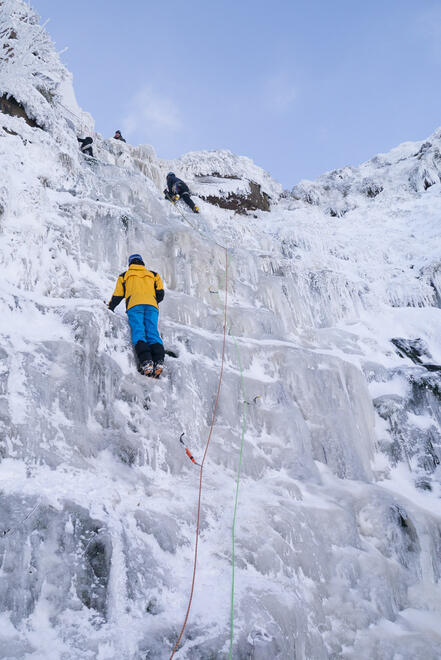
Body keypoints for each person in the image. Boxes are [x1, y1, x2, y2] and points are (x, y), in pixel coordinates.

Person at [108, 254, 165, 377]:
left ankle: (146, 362)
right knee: (153, 332)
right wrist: (151, 300)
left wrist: (110, 308)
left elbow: (118, 295)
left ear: (130, 263)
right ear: (142, 262)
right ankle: (158, 360)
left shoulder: (124, 276)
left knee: (139, 332)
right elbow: (160, 294)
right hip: (152, 306)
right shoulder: (153, 275)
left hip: (135, 305)